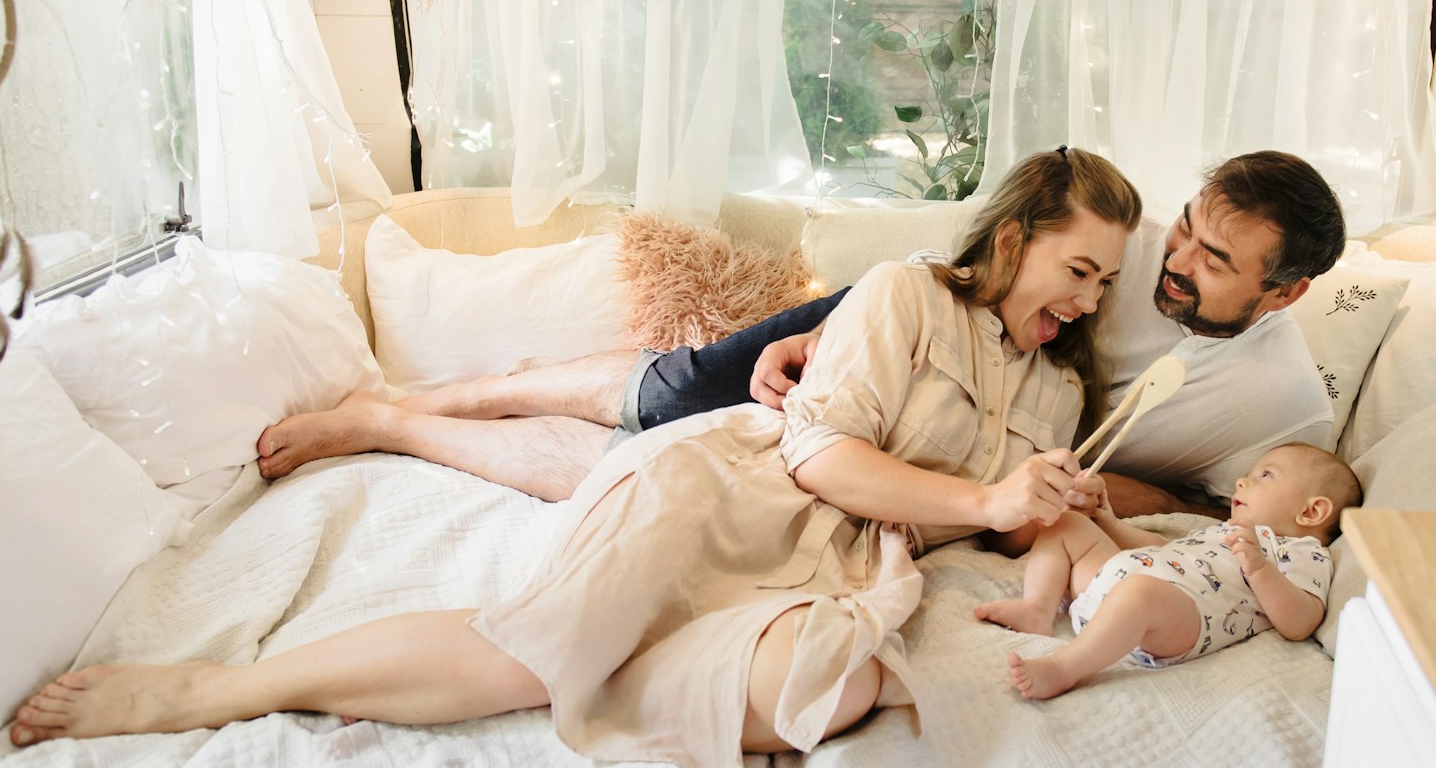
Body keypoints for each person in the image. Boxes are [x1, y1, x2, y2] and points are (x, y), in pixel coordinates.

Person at [10, 150, 1145, 768]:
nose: (1087, 301)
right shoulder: (903, 293)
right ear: (1013, 239)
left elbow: (1013, 527)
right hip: (740, 492)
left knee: (835, 690)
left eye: (1104, 286)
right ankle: (211, 690)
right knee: (532, 640)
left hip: (846, 568)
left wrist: (1049, 516)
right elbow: (819, 451)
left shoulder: (1056, 396)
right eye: (1077, 270)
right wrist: (988, 500)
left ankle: (589, 666)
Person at [253, 151, 1346, 522]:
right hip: (892, 327)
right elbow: (986, 269)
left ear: (1283, 295)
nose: (1172, 264)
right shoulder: (1126, 232)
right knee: (665, 389)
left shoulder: (1279, 407)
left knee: (631, 451)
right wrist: (823, 331)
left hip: (971, 414)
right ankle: (436, 398)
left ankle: (401, 420)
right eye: (1189, 230)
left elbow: (1225, 506)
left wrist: (1080, 490)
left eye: (1212, 264)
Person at [980, 442, 1360, 701]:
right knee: (1067, 524)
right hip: (1125, 581)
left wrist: (1260, 568)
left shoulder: (1300, 551)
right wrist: (1108, 523)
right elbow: (1162, 550)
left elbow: (1301, 621)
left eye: (1266, 476)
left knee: (1140, 594)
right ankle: (1038, 608)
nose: (1242, 481)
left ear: (1312, 512)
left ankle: (1065, 667)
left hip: (1177, 618)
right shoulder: (1226, 531)